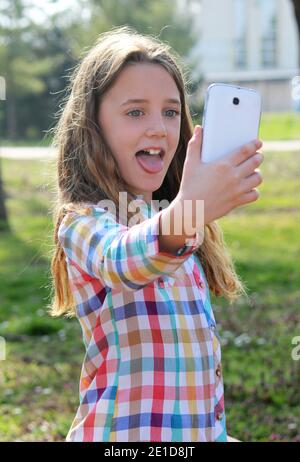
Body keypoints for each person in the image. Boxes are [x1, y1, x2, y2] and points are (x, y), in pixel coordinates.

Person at [49, 26, 263, 442]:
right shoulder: (82, 222)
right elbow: (122, 262)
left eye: (170, 111)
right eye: (135, 112)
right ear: (92, 128)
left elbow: (194, 388)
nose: (159, 128)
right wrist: (194, 209)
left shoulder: (175, 223)